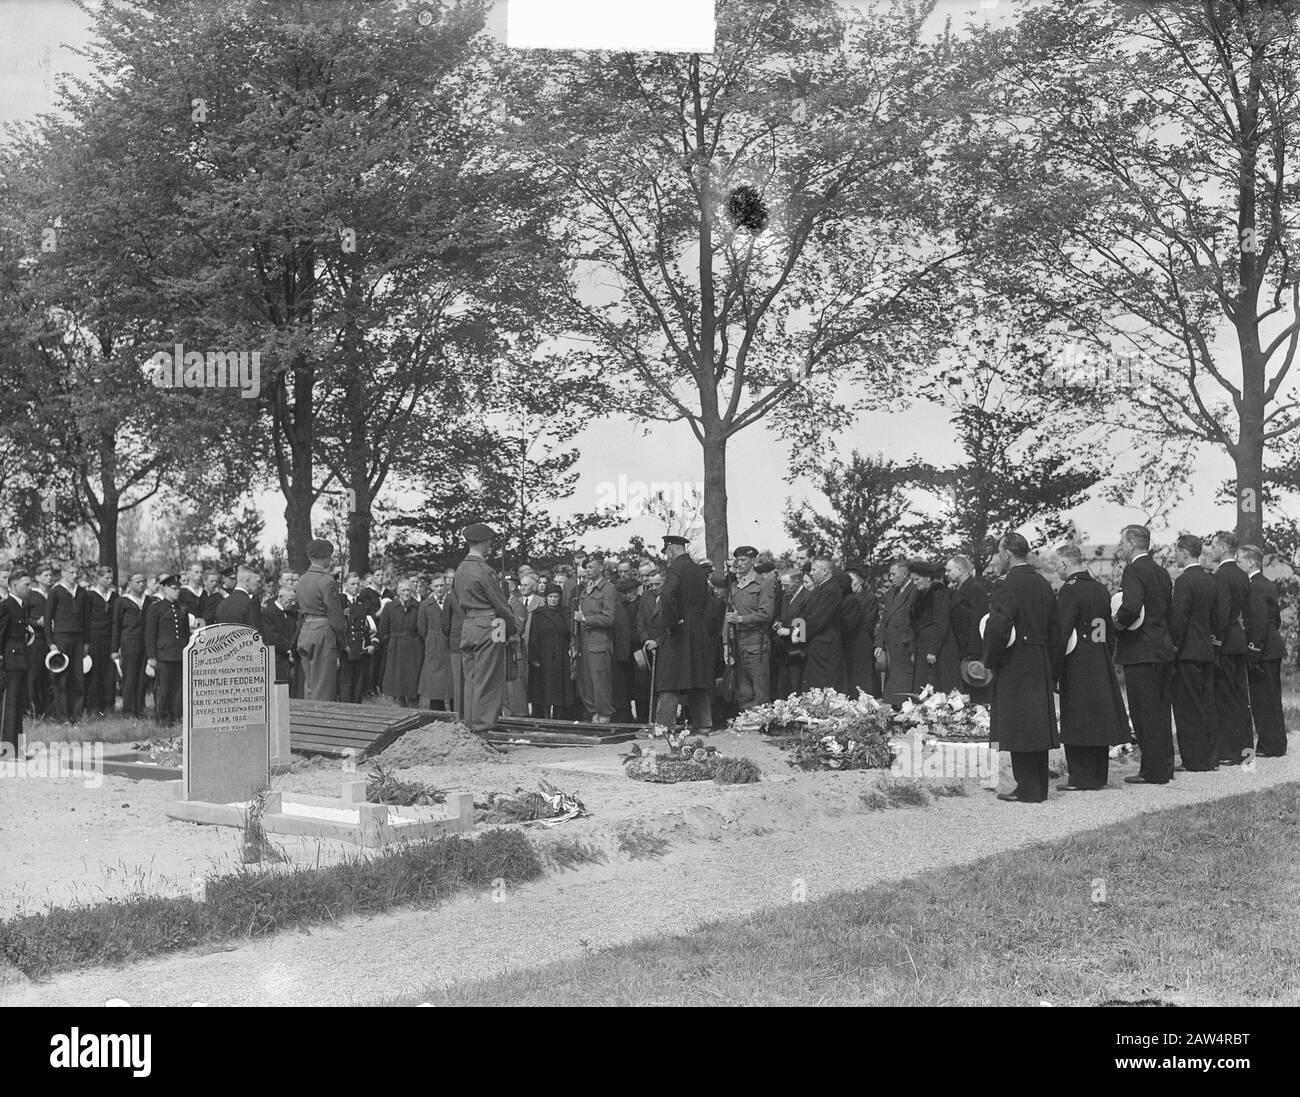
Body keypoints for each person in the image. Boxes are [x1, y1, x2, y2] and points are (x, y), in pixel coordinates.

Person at [982, 533, 1063, 803]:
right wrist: (1051, 662)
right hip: (1040, 658)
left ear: (1007, 554)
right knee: (1036, 724)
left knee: (1019, 724)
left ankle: (1027, 788)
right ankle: (1036, 786)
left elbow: (998, 627)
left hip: (1015, 660)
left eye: (1000, 552)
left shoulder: (1005, 584)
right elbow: (1056, 628)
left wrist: (990, 660)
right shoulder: (1042, 583)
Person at [1051, 543, 1131, 790]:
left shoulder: (1069, 590)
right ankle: (1098, 775)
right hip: (1099, 657)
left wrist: (1054, 669)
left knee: (1078, 716)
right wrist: (1105, 655)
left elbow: (1061, 632)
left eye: (1056, 565)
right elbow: (1109, 630)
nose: (1056, 571)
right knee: (1098, 716)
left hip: (1077, 660)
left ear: (1065, 563)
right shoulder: (1099, 588)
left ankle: (1081, 778)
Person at [1114, 524, 1176, 785]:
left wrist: (1117, 623)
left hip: (1140, 650)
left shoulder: (1134, 570)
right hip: (1162, 648)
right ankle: (1165, 766)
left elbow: (1130, 606)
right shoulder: (1161, 572)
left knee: (1142, 712)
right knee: (1161, 710)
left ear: (1130, 543)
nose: (1120, 548)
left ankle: (1151, 771)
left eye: (1121, 543)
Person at [454, 524, 518, 732]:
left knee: (471, 680)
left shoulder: (460, 569)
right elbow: (501, 605)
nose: (490, 545)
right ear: (483, 542)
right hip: (489, 626)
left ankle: (470, 727)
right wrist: (511, 629)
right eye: (489, 541)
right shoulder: (485, 571)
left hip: (469, 625)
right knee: (488, 681)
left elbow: (456, 599)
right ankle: (482, 731)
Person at [1168, 533, 1221, 771]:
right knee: (1207, 703)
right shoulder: (1210, 580)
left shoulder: (1183, 582)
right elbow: (1217, 617)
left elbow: (1179, 617)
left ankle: (1193, 758)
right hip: (1206, 649)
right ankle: (1211, 757)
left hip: (1187, 651)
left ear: (1185, 552)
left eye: (1177, 552)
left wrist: (1173, 644)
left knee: (1187, 706)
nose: (1175, 556)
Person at [651, 535, 713, 731]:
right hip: (697, 627)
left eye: (667, 552)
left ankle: (663, 725)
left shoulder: (675, 568)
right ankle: (704, 724)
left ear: (670, 550)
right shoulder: (697, 570)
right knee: (697, 675)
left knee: (670, 676)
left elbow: (668, 596)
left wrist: (671, 623)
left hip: (680, 628)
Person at [1207, 530, 1252, 765]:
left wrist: (1215, 643)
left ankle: (1232, 751)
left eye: (1214, 546)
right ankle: (1245, 749)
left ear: (1223, 548)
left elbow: (1221, 614)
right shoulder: (1242, 575)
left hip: (1225, 642)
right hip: (1238, 639)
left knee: (1226, 697)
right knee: (1238, 695)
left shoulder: (1222, 575)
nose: (1211, 550)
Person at [1241, 544, 1288, 757]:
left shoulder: (1254, 587)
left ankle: (1271, 745)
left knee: (1263, 699)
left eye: (1240, 561)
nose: (1238, 564)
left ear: (1251, 562)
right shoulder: (1265, 584)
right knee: (1271, 697)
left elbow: (1259, 622)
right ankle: (1275, 743)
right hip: (1272, 647)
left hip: (1264, 649)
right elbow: (1275, 620)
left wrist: (1254, 652)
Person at [295, 540, 347, 702]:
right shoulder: (327, 581)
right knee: (324, 685)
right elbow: (335, 615)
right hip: (323, 632)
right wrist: (342, 640)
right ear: (325, 557)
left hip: (306, 631)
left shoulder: (302, 580)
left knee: (310, 684)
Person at [727, 546, 776, 709]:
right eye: (737, 560)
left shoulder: (763, 584)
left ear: (753, 561)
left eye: (743, 560)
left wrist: (740, 619)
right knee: (744, 689)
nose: (739, 564)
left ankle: (763, 724)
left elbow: (766, 614)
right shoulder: (734, 585)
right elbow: (727, 615)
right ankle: (747, 723)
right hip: (738, 642)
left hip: (757, 640)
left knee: (760, 687)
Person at [574, 553, 618, 723]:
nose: (587, 570)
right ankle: (594, 716)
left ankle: (604, 716)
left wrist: (585, 619)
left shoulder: (607, 589)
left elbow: (609, 618)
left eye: (591, 567)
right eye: (586, 568)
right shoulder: (586, 589)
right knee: (587, 683)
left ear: (601, 568)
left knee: (600, 682)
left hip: (599, 643)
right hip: (584, 643)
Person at [46, 560, 89, 725]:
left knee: (78, 678)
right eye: (71, 572)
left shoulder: (82, 592)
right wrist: (51, 643)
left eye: (76, 572)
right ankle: (63, 717)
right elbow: (49, 618)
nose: (74, 575)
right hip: (61, 638)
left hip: (79, 639)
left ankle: (76, 716)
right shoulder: (56, 591)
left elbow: (87, 619)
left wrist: (86, 642)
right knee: (61, 679)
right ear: (63, 573)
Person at [145, 575, 189, 727]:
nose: (177, 591)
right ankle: (163, 718)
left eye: (178, 588)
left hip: (179, 653)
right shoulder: (156, 607)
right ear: (164, 589)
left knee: (178, 689)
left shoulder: (181, 608)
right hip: (163, 654)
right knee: (163, 688)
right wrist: (151, 656)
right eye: (174, 588)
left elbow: (185, 633)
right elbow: (150, 633)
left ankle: (176, 716)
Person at [909, 559, 960, 694]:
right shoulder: (919, 595)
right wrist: (914, 649)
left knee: (936, 686)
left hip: (937, 649)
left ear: (927, 578)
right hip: (922, 646)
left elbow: (941, 624)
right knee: (922, 687)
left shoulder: (938, 595)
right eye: (912, 580)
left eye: (917, 579)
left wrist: (932, 650)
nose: (914, 583)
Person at [946, 555, 989, 704]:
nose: (947, 574)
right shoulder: (959, 590)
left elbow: (979, 622)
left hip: (970, 649)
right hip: (959, 647)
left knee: (973, 690)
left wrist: (973, 652)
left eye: (949, 570)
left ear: (959, 569)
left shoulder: (976, 590)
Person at [528, 585, 574, 718]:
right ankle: (545, 716)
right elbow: (533, 636)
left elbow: (570, 633)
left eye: (556, 597)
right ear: (546, 598)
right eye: (550, 597)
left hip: (562, 656)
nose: (553, 600)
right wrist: (534, 657)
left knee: (560, 689)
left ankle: (559, 717)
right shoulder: (538, 614)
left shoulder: (565, 613)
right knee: (544, 689)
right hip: (544, 656)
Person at [875, 560, 916, 706]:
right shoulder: (892, 592)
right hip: (891, 647)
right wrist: (879, 643)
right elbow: (884, 620)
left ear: (905, 574)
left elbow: (915, 622)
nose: (890, 578)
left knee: (903, 689)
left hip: (905, 647)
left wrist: (912, 647)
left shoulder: (914, 590)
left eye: (893, 574)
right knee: (891, 687)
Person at [801, 557, 845, 690]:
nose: (811, 573)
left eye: (814, 570)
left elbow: (816, 619)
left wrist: (798, 635)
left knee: (823, 685)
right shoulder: (823, 588)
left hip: (824, 646)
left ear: (825, 571)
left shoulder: (830, 590)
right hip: (818, 643)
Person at [379, 578, 423, 708]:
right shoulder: (390, 607)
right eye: (403, 590)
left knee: (413, 682)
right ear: (398, 591)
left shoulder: (418, 606)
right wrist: (391, 644)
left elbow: (422, 628)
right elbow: (383, 630)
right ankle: (400, 709)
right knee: (397, 684)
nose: (406, 593)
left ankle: (415, 710)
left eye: (408, 589)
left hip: (414, 648)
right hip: (395, 648)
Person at [112, 573, 149, 718]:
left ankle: (140, 709)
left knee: (142, 677)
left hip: (144, 642)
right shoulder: (122, 601)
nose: (141, 584)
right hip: (129, 641)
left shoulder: (149, 600)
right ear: (131, 583)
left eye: (144, 581)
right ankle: (129, 710)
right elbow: (116, 625)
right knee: (130, 676)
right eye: (138, 581)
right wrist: (115, 648)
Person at [1, 569, 31, 751]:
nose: (29, 588)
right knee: (9, 705)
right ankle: (6, 749)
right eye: (26, 585)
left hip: (21, 660)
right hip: (10, 662)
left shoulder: (21, 605)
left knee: (18, 705)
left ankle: (16, 749)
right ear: (14, 586)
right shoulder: (6, 606)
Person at [417, 573, 454, 711]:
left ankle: (455, 715)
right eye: (436, 586)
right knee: (435, 683)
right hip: (433, 645)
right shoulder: (426, 604)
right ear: (432, 587)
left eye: (442, 586)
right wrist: (430, 641)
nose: (439, 589)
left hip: (449, 644)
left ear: (446, 586)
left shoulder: (452, 601)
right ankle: (437, 715)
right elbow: (421, 629)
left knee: (452, 681)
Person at [339, 574, 378, 704]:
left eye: (358, 584)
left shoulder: (363, 603)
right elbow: (338, 627)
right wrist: (344, 645)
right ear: (345, 585)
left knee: (359, 684)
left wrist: (371, 643)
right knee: (346, 684)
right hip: (346, 648)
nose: (356, 587)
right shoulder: (341, 602)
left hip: (360, 648)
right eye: (352, 584)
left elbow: (368, 626)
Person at [85, 565, 117, 718]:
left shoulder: (114, 596)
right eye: (106, 578)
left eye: (111, 578)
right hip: (94, 638)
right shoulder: (90, 595)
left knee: (109, 674)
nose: (109, 581)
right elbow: (85, 618)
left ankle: (108, 708)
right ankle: (93, 709)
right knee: (94, 674)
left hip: (109, 639)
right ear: (98, 578)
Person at [844, 564, 880, 699]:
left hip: (861, 644)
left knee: (863, 680)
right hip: (849, 644)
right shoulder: (847, 597)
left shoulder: (869, 598)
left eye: (852, 580)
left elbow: (868, 623)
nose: (850, 584)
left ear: (860, 581)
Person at [773, 569, 808, 698]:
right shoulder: (786, 597)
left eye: (786, 585)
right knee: (783, 686)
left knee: (796, 685)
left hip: (797, 649)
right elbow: (781, 615)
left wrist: (789, 631)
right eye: (782, 585)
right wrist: (778, 624)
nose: (783, 588)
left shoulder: (807, 597)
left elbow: (807, 621)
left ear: (797, 582)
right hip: (784, 649)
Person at [25, 563, 53, 720]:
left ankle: (49, 712)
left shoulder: (54, 594)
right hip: (36, 641)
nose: (49, 579)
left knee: (49, 677)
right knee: (35, 676)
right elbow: (24, 617)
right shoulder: (31, 595)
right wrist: (37, 622)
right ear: (37, 578)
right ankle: (34, 712)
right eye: (45, 576)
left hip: (52, 640)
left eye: (50, 576)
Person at [262, 580, 298, 689]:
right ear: (281, 597)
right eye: (290, 600)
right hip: (278, 659)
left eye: (294, 601)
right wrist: (289, 649)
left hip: (291, 658)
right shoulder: (269, 612)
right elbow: (272, 637)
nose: (292, 604)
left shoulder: (292, 613)